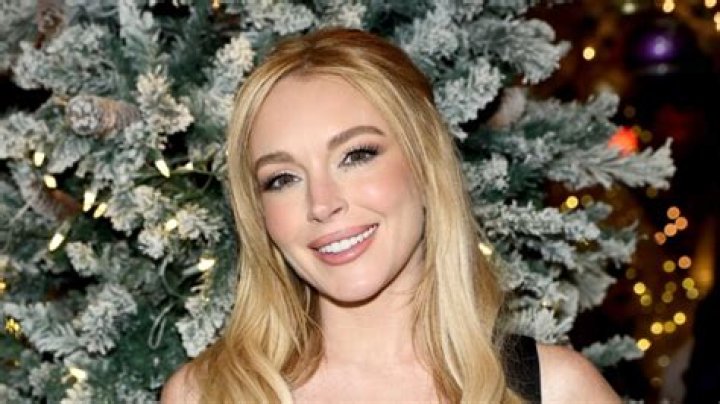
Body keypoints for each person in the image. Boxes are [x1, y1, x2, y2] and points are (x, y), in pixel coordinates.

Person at [161, 27, 620, 403]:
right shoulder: (202, 396)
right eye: (282, 179)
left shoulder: (560, 392)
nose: (321, 203)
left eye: (356, 155)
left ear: (425, 163)